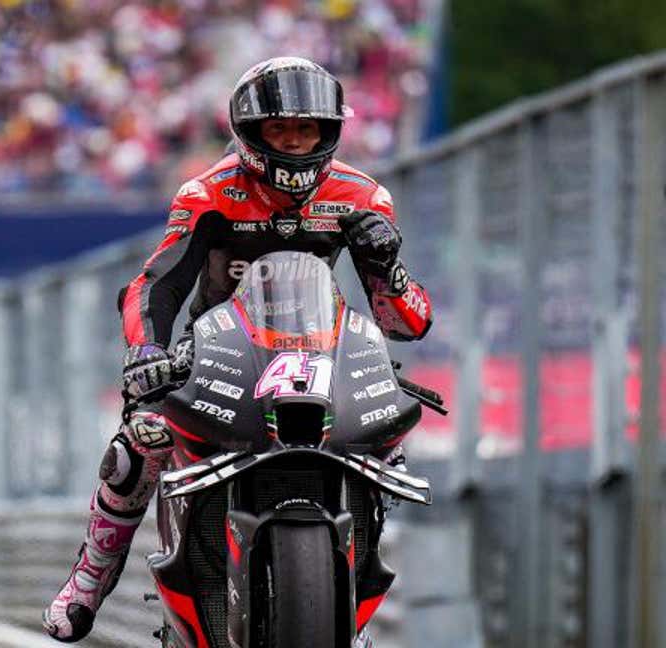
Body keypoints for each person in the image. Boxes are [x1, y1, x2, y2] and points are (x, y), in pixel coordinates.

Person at [42, 57, 434, 643]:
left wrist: (388, 269)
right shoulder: (208, 193)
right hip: (219, 357)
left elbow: (407, 324)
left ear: (329, 132)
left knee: (388, 440)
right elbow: (158, 283)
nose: (294, 143)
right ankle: (89, 581)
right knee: (138, 444)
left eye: (306, 129)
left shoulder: (362, 196)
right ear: (251, 133)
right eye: (280, 130)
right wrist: (147, 351)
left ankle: (346, 586)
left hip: (319, 356)